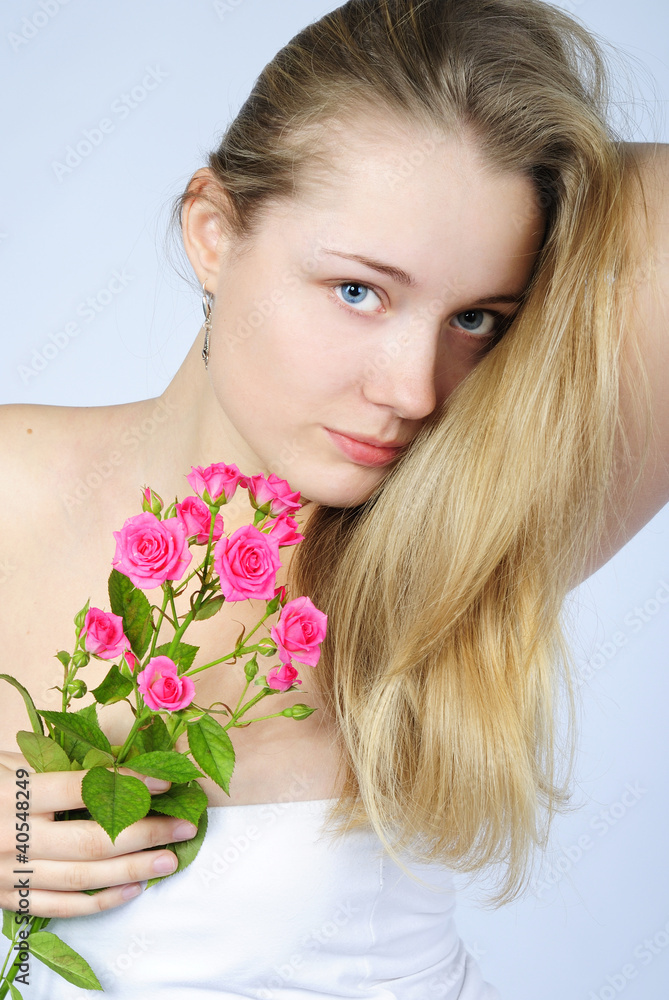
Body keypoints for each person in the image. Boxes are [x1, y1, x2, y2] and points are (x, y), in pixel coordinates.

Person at [1, 0, 667, 996]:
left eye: (478, 317)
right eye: (360, 291)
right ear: (214, 230)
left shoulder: (449, 553)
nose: (414, 389)